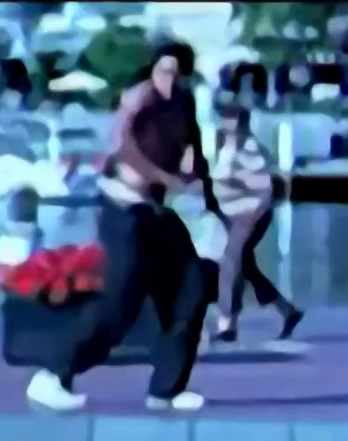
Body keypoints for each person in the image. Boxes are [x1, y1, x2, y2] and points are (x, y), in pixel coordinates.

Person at [27, 42, 218, 414]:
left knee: (191, 287)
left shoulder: (184, 101)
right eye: (164, 72)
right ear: (152, 71)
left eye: (177, 74)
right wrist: (164, 177)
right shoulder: (139, 97)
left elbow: (193, 148)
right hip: (123, 208)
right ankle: (52, 375)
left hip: (159, 211)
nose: (169, 80)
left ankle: (167, 390)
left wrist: (203, 189)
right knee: (119, 301)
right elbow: (122, 146)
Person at [205, 100, 302, 343]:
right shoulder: (225, 148)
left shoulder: (250, 149)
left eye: (233, 125)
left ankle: (227, 324)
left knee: (230, 261)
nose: (228, 129)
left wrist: (251, 218)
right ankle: (286, 310)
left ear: (244, 126)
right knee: (245, 266)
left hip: (249, 215)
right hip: (230, 215)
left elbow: (264, 190)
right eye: (225, 123)